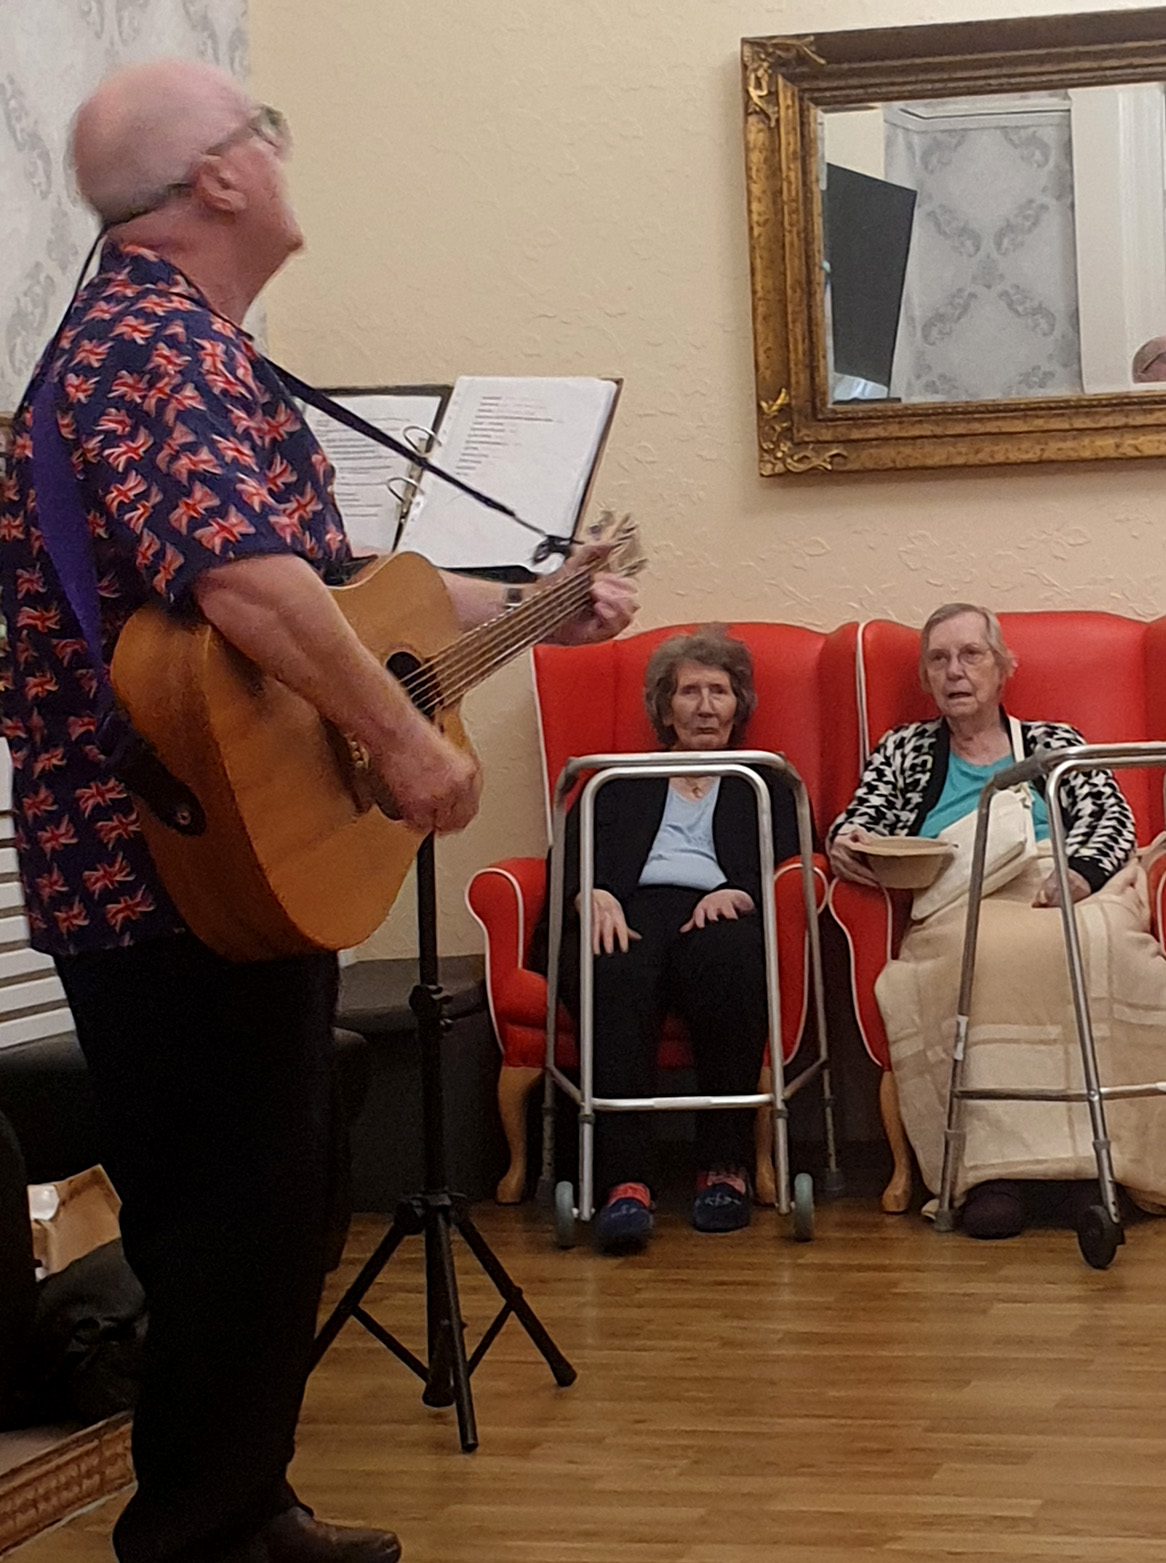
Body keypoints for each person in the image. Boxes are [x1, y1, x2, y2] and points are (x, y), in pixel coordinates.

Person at [0, 59, 638, 1563]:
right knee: (234, 1211)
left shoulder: (172, 344)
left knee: (260, 1197)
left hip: (197, 853)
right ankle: (201, 1533)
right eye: (267, 138)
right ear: (221, 177)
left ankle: (239, 1506)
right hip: (174, 864)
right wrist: (403, 748)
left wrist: (540, 601)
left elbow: (345, 592)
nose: (284, 163)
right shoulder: (157, 345)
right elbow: (246, 582)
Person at [828, 603, 1166, 1239]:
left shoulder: (1054, 742)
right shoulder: (903, 748)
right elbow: (862, 819)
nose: (955, 671)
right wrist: (848, 840)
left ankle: (1096, 1169)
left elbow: (1111, 817)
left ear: (1004, 666)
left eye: (971, 655)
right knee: (976, 959)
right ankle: (991, 1175)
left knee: (1101, 948)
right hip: (959, 894)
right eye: (939, 659)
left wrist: (1078, 874)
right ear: (925, 677)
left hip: (1060, 882)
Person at [537, 628, 801, 1253]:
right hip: (630, 908)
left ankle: (724, 1169)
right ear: (664, 707)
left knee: (733, 961)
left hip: (720, 910)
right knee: (611, 968)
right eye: (689, 692)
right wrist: (588, 893)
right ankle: (624, 1182)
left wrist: (742, 892)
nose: (705, 706)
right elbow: (567, 857)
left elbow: (792, 861)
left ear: (738, 704)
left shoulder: (764, 782)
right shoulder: (617, 780)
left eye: (719, 691)